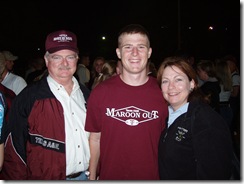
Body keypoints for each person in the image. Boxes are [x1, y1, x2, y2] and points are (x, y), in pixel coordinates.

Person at [1, 30, 90, 180]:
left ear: (77, 59)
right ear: (46, 60)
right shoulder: (28, 99)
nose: (64, 63)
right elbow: (13, 153)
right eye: (57, 57)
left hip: (86, 177)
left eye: (70, 57)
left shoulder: (88, 95)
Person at [85, 24, 168, 180]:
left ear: (149, 52)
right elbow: (95, 139)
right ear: (118, 52)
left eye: (141, 47)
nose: (135, 53)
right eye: (128, 47)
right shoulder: (100, 92)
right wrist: (92, 176)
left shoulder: (164, 92)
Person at [157, 56, 233, 180]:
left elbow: (216, 174)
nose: (171, 86)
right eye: (165, 81)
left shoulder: (205, 120)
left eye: (178, 80)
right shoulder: (171, 116)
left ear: (192, 83)